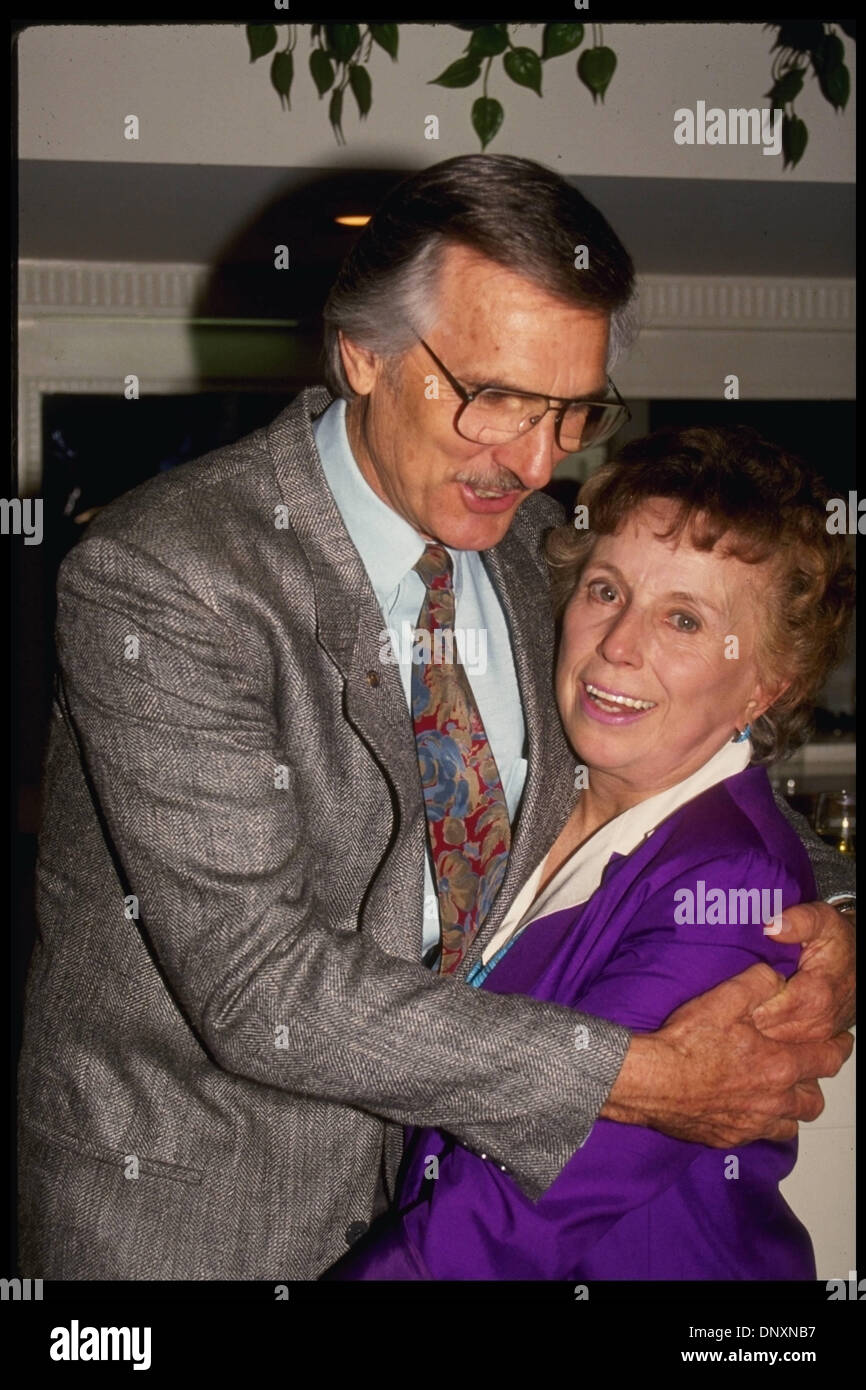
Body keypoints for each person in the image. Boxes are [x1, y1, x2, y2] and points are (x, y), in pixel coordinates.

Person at [17, 156, 854, 1281]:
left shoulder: (528, 551)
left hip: (444, 1208)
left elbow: (678, 744)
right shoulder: (167, 580)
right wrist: (646, 1078)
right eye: (497, 395)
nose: (537, 458)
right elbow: (257, 982)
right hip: (193, 1225)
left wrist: (821, 912)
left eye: (573, 410)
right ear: (361, 352)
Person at [324, 425, 856, 1280]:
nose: (618, 644)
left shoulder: (733, 886)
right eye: (606, 590)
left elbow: (508, 1224)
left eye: (685, 619)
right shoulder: (534, 785)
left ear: (766, 685)